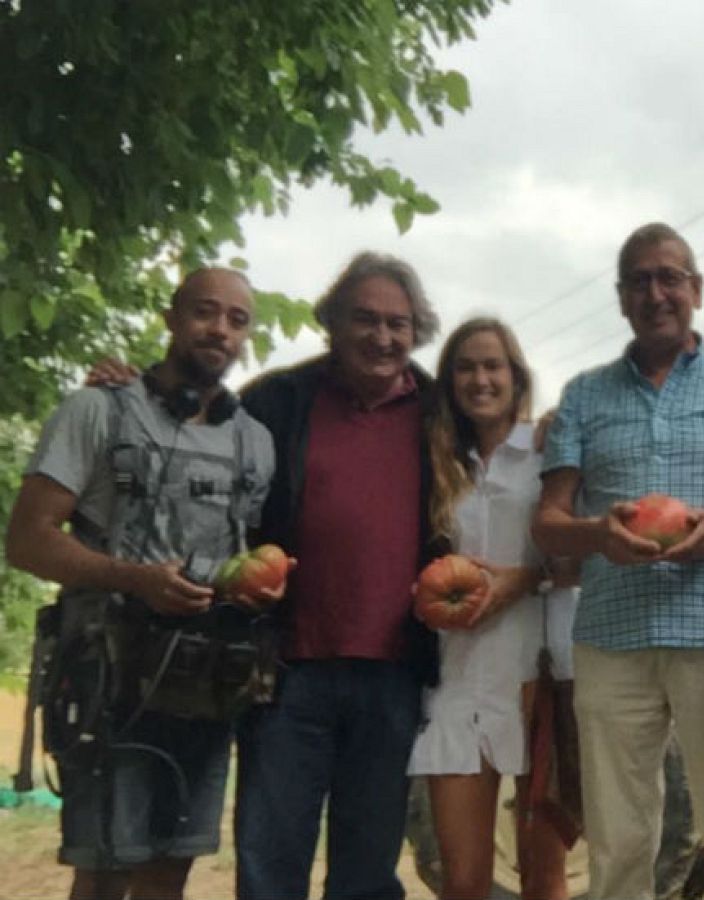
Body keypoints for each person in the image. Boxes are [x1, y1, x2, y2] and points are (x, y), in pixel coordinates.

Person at [5, 269, 276, 900]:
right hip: (109, 677)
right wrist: (131, 578)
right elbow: (26, 540)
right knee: (104, 872)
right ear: (171, 318)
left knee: (169, 871)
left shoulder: (255, 443)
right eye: (206, 313)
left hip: (208, 684)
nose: (221, 330)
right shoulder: (95, 411)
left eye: (237, 321)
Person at [532, 223, 704, 900]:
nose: (656, 292)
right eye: (639, 280)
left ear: (696, 289)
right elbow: (550, 523)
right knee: (618, 843)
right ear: (620, 298)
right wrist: (599, 535)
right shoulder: (585, 394)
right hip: (614, 638)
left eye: (670, 277)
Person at [233, 252, 444, 900]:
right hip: (288, 672)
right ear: (332, 322)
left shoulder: (443, 410)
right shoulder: (276, 399)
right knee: (271, 862)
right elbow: (196, 431)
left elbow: (511, 448)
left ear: (417, 331)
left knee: (367, 870)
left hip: (394, 674)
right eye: (365, 319)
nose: (382, 337)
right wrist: (130, 384)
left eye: (398, 324)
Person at [406, 318, 579, 900]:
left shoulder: (546, 453)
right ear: (449, 380)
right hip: (457, 678)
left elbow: (580, 557)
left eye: (492, 366)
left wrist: (522, 580)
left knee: (543, 880)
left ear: (516, 376)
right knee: (463, 882)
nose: (480, 379)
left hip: (538, 675)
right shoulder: (433, 462)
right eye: (465, 367)